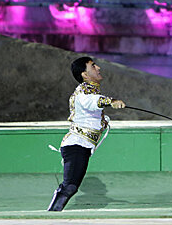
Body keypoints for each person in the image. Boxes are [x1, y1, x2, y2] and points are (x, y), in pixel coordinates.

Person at [47, 57, 126, 211]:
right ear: (85, 74)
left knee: (70, 186)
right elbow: (90, 101)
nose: (98, 68)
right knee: (69, 187)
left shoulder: (91, 90)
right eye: (93, 66)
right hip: (76, 145)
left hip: (81, 146)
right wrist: (111, 101)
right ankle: (50, 216)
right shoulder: (84, 91)